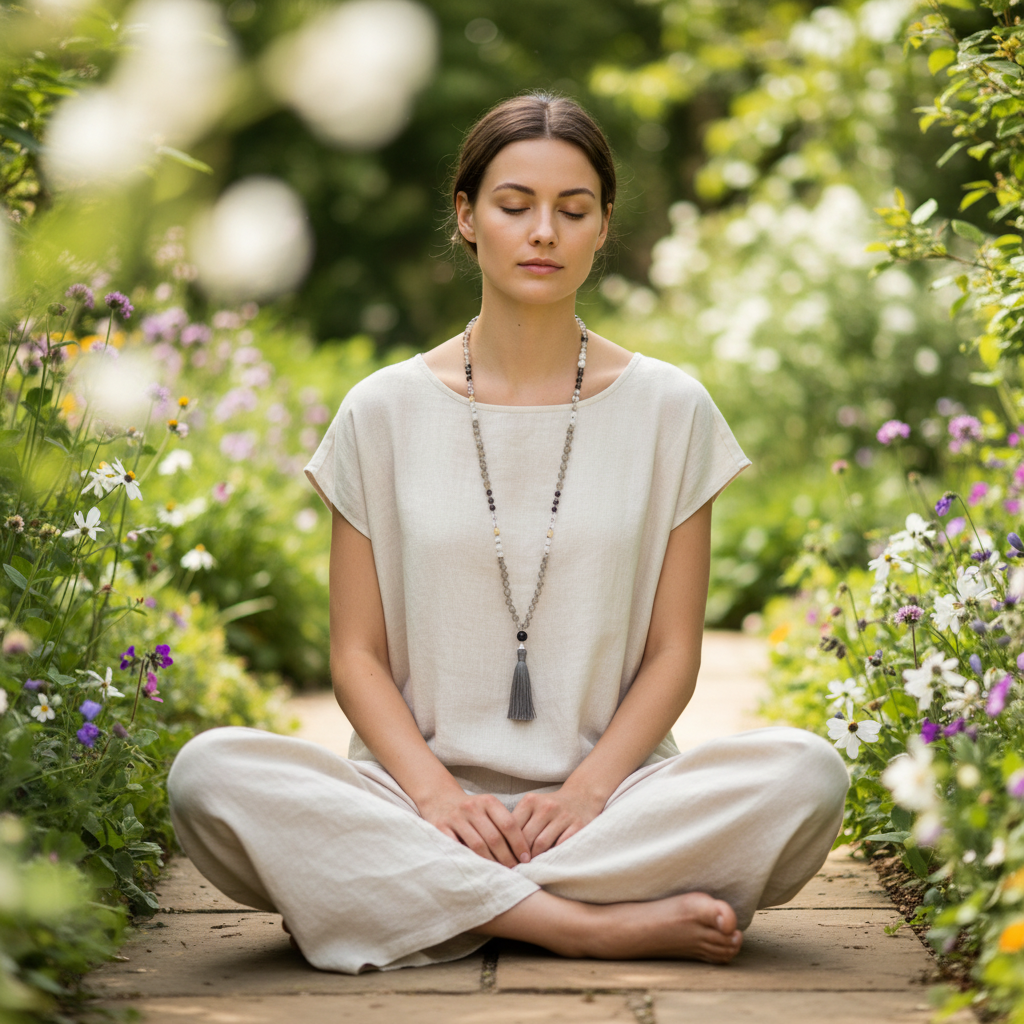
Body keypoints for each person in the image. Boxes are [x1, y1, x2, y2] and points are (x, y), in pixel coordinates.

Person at [168, 93, 849, 975]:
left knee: (807, 775)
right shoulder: (380, 411)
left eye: (573, 211)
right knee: (209, 776)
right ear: (466, 216)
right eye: (514, 205)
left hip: (612, 801)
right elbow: (356, 657)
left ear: (603, 227)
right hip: (410, 797)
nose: (544, 233)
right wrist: (438, 797)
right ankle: (584, 924)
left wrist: (585, 792)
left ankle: (401, 898)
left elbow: (675, 654)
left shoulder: (669, 409)